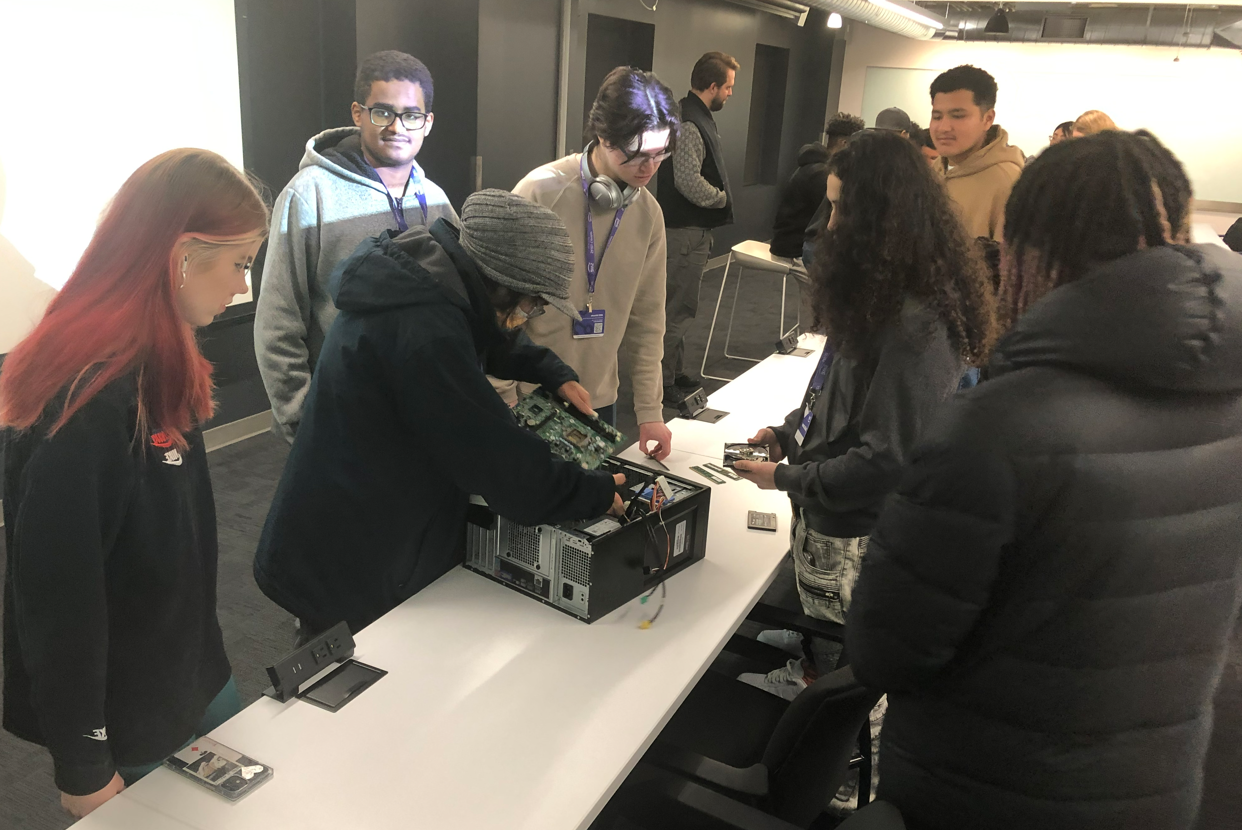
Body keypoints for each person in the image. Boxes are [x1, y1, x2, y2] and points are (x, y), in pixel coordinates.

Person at [845, 131, 1242, 830]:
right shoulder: (1227, 399)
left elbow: (886, 648)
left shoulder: (997, 427)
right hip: (1158, 791)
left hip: (982, 791)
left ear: (1032, 252)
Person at [0, 150, 268, 818]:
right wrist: (85, 766)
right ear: (181, 256)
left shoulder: (162, 360)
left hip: (195, 668)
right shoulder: (89, 404)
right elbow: (58, 604)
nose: (241, 287)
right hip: (131, 708)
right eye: (238, 263)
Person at [253, 191, 628, 639]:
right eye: (530, 304)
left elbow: (482, 328)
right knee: (347, 685)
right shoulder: (424, 334)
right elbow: (496, 460)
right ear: (498, 282)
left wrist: (545, 368)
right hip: (350, 553)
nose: (527, 316)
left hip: (353, 520)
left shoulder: (421, 277)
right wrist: (590, 492)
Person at [729, 131, 997, 699]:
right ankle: (811, 659)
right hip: (826, 502)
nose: (829, 225)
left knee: (855, 676)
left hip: (854, 522)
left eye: (841, 208)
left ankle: (843, 779)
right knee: (826, 623)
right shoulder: (881, 289)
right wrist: (786, 435)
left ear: (881, 214)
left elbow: (889, 458)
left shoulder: (918, 320)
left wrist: (789, 478)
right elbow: (838, 393)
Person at [255, 50, 458, 443]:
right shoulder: (309, 195)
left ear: (427, 123)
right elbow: (278, 321)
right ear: (357, 113)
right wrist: (302, 418)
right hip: (340, 421)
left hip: (424, 418)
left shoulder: (437, 201)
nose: (397, 127)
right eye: (382, 112)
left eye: (411, 115)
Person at [501, 67, 677, 459]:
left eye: (659, 154)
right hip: (529, 394)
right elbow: (500, 312)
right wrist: (505, 400)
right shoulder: (539, 194)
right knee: (529, 517)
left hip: (598, 396)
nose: (648, 168)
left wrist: (650, 410)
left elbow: (648, 321)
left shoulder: (648, 214)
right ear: (603, 135)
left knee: (589, 513)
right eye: (636, 155)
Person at [657, 51, 739, 402]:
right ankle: (662, 385)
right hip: (685, 235)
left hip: (688, 234)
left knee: (681, 308)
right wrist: (721, 198)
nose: (731, 94)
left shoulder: (693, 115)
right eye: (729, 87)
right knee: (676, 311)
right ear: (712, 86)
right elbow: (686, 180)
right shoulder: (690, 123)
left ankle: (674, 372)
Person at [928, 65, 1024, 239]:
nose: (943, 127)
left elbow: (1008, 262)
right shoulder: (937, 168)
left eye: (958, 116)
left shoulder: (1007, 182)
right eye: (937, 117)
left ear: (987, 119)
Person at [799, 112, 865, 268]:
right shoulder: (824, 173)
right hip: (808, 245)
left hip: (810, 241)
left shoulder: (815, 165)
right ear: (844, 142)